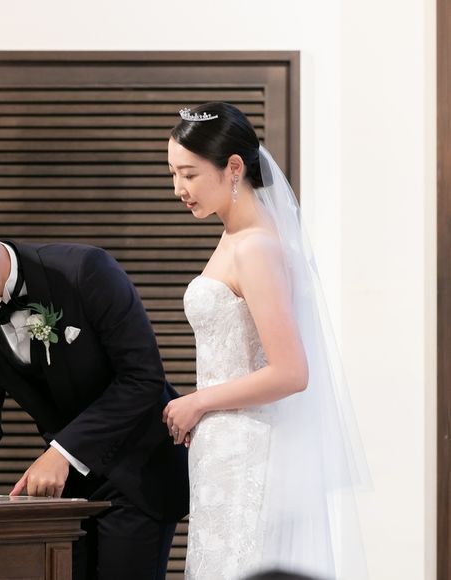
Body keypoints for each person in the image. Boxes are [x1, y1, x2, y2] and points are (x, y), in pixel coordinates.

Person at [0, 204, 189, 580]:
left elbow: (142, 378)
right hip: (65, 493)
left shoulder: (85, 271)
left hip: (139, 469)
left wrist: (63, 452)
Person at [163, 103, 367, 580]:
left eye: (189, 174)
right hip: (223, 448)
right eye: (173, 174)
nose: (178, 189)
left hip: (249, 450)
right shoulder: (234, 236)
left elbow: (291, 372)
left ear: (233, 167)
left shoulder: (255, 246)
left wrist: (198, 401)